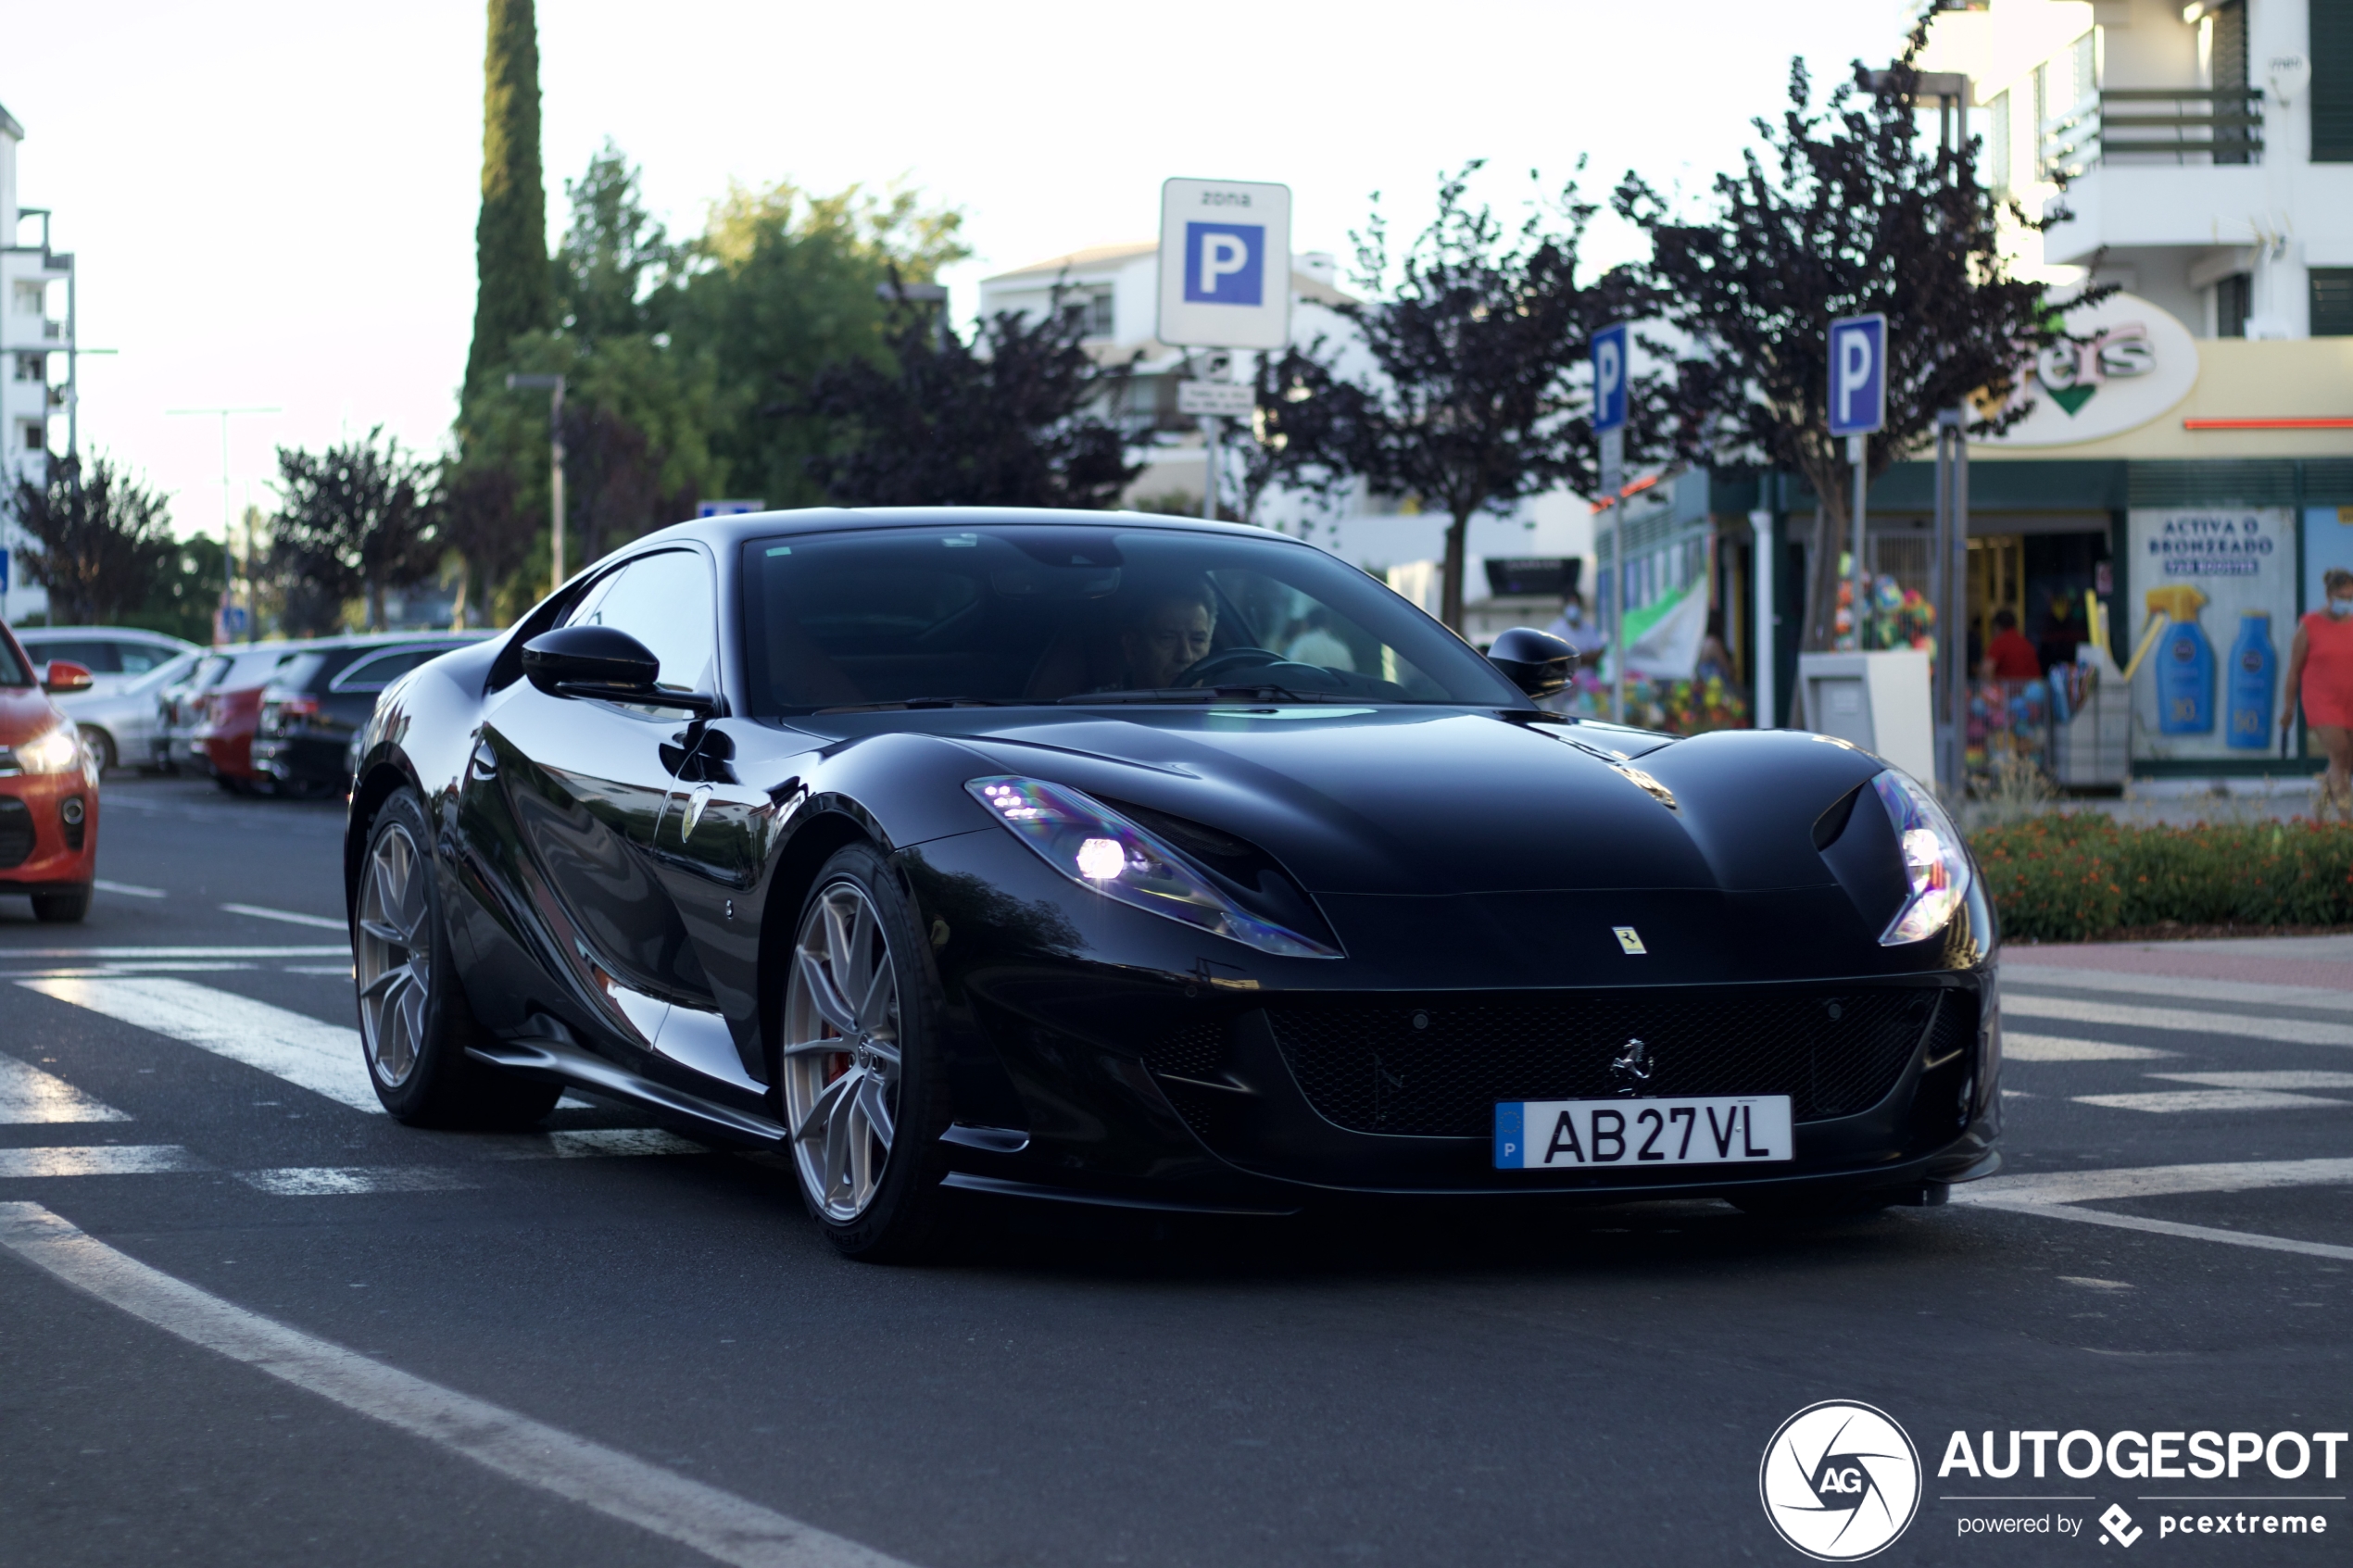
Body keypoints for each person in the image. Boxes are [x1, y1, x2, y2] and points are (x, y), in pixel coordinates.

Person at [2284, 567, 2353, 820]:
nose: (2346, 603)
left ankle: (2316, 816)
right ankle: (2348, 825)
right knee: (2339, 754)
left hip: (2349, 700)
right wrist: (2288, 708)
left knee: (2345, 762)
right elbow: (2293, 671)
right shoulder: (2309, 626)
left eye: (2350, 598)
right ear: (2329, 595)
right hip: (2321, 702)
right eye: (2342, 597)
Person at [1118, 581, 1218, 689]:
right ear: (1132, 647)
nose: (1185, 656)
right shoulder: (1102, 703)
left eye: (1197, 640)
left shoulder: (1222, 703)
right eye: (1168, 638)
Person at [1283, 606, 1355, 671]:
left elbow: (1290, 666)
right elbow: (1349, 673)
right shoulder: (1342, 649)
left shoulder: (1302, 642)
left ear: (1307, 623)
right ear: (1327, 625)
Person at [1982, 608, 2042, 681]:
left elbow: (1986, 671)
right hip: (2031, 690)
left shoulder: (2000, 643)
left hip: (2008, 690)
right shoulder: (2026, 643)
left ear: (1997, 627)